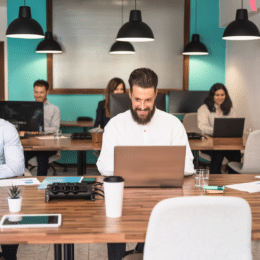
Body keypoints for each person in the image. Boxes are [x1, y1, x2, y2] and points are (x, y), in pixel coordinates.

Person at [97, 68, 194, 260]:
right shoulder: (115, 125)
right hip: (124, 199)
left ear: (156, 94)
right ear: (130, 94)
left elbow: (188, 166)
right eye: (137, 100)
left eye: (148, 100)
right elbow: (103, 165)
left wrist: (136, 165)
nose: (142, 106)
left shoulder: (173, 124)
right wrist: (154, 166)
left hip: (164, 198)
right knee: (115, 231)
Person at [197, 83, 241, 174]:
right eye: (217, 95)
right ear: (212, 96)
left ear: (226, 95)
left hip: (227, 144)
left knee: (236, 153)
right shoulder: (203, 109)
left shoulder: (230, 109)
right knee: (218, 153)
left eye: (222, 95)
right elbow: (203, 127)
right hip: (209, 144)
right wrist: (217, 131)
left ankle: (233, 180)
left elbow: (236, 125)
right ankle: (215, 181)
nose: (220, 97)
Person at [24, 80, 61, 176]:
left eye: (41, 92)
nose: (38, 95)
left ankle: (41, 186)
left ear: (47, 92)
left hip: (47, 144)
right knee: (20, 156)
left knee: (42, 157)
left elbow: (56, 128)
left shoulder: (54, 109)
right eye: (36, 92)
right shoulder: (27, 108)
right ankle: (23, 183)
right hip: (32, 143)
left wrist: (39, 130)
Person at [0, 118, 24, 260]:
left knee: (12, 205)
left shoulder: (5, 128)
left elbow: (16, 167)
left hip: (2, 185)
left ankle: (9, 256)